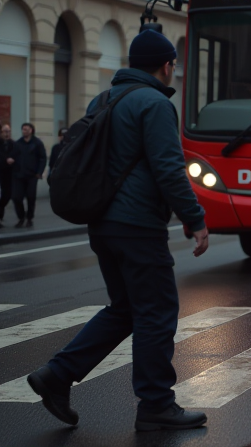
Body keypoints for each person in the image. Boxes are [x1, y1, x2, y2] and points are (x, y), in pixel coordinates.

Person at [27, 30, 211, 432]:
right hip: (138, 225)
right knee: (157, 312)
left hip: (102, 223)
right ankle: (156, 405)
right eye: (173, 65)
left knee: (126, 309)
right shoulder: (155, 104)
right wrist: (194, 219)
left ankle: (57, 375)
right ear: (166, 66)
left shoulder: (104, 99)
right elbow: (167, 168)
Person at [10, 123, 47, 228]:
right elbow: (13, 156)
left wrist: (39, 172)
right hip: (18, 175)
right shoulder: (18, 143)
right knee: (16, 197)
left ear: (31, 130)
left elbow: (42, 158)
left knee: (31, 197)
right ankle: (21, 217)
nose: (24, 131)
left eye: (26, 129)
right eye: (23, 129)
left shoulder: (37, 143)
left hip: (32, 175)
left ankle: (29, 218)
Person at [0, 124, 13, 228]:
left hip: (9, 174)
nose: (7, 133)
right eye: (5, 131)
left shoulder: (13, 144)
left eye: (8, 131)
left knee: (7, 195)